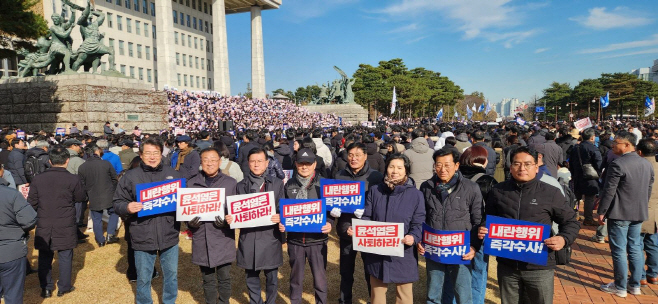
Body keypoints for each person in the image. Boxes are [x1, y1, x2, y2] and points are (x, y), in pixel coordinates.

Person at [479, 146, 580, 304]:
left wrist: (563, 238)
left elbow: (571, 222)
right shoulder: (498, 191)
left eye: (527, 164)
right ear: (510, 166)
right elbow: (488, 218)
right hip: (507, 265)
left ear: (536, 165)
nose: (522, 168)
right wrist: (484, 228)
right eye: (516, 164)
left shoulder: (550, 192)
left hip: (539, 266)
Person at [114, 138, 183, 304]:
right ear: (141, 154)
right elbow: (117, 203)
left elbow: (184, 201)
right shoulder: (130, 176)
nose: (152, 157)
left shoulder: (173, 174)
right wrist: (127, 207)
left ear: (161, 154)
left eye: (156, 153)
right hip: (142, 235)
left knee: (171, 276)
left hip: (169, 234)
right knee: (144, 278)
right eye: (148, 153)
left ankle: (169, 301)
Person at [355, 153, 425, 304]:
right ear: (386, 168)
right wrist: (359, 229)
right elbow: (367, 216)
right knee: (377, 295)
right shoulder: (375, 191)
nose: (395, 171)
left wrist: (413, 237)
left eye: (399, 168)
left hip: (404, 252)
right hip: (378, 251)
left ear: (406, 170)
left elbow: (418, 223)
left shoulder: (416, 195)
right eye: (391, 166)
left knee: (404, 295)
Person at [417, 148, 483, 304]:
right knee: (433, 293)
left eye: (447, 165)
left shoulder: (470, 188)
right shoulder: (426, 187)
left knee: (463, 294)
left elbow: (478, 220)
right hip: (434, 248)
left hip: (460, 250)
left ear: (457, 165)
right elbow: (421, 216)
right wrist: (420, 239)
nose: (442, 169)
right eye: (438, 165)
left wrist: (474, 246)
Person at [598, 132, 654, 298]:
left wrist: (602, 211)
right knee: (635, 248)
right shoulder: (646, 163)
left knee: (619, 250)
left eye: (617, 143)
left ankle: (621, 286)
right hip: (639, 211)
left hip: (620, 212)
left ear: (628, 145)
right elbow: (648, 188)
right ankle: (634, 285)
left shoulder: (618, 164)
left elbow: (609, 190)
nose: (613, 146)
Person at [28, 145, 87, 298]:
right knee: (65, 255)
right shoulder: (73, 179)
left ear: (49, 161)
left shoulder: (38, 179)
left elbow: (31, 202)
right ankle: (64, 286)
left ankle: (46, 288)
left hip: (45, 221)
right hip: (65, 221)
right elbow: (81, 197)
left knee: (45, 255)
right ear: (67, 161)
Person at [230, 147, 284, 304]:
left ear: (267, 163)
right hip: (249, 237)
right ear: (248, 163)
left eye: (260, 161)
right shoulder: (240, 186)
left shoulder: (277, 183)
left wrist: (280, 216)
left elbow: (282, 207)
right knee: (251, 276)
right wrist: (232, 216)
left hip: (270, 236)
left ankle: (271, 301)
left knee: (272, 276)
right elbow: (236, 210)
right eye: (252, 161)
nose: (256, 164)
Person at [332, 142, 384, 304]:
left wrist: (367, 210)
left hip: (368, 231)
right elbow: (333, 198)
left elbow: (380, 204)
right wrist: (334, 208)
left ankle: (373, 300)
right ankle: (344, 300)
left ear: (365, 156)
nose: (354, 159)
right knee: (346, 272)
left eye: (358, 155)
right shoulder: (339, 175)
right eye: (351, 155)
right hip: (346, 230)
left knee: (371, 271)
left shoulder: (375, 177)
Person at [281, 148, 334, 304]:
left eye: (308, 164)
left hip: (317, 241)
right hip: (295, 241)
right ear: (296, 164)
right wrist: (283, 223)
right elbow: (283, 210)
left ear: (315, 164)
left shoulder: (323, 184)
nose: (304, 167)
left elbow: (331, 210)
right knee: (295, 280)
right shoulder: (288, 184)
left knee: (320, 281)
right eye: (301, 163)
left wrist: (330, 223)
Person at [186, 147, 238, 304]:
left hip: (223, 237)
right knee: (207, 278)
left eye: (213, 160)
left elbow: (236, 212)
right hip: (202, 237)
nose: (210, 163)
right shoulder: (191, 183)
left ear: (220, 162)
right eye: (206, 160)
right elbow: (185, 211)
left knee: (224, 277)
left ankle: (224, 301)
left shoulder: (231, 183)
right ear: (201, 162)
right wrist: (190, 223)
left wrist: (228, 222)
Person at [0, 164, 37, 304]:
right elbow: (29, 220)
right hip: (11, 252)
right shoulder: (11, 194)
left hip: (10, 249)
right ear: (1, 171)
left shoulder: (11, 194)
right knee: (13, 294)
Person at [78, 144, 119, 247]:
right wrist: (113, 190)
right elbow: (114, 179)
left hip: (93, 195)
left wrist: (87, 195)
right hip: (109, 193)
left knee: (96, 218)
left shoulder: (82, 167)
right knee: (114, 213)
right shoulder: (106, 163)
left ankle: (100, 240)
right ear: (97, 152)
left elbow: (81, 184)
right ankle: (110, 234)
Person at [569, 128, 602, 227]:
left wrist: (573, 173)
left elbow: (571, 162)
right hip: (590, 177)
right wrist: (599, 173)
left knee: (576, 197)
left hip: (577, 175)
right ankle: (588, 218)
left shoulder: (576, 147)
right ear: (592, 137)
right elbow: (598, 163)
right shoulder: (593, 148)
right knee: (589, 198)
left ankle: (575, 215)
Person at [636, 139, 658, 286]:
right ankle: (653, 274)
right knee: (653, 244)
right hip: (655, 213)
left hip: (637, 211)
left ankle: (641, 276)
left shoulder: (637, 167)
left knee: (636, 245)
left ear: (639, 152)